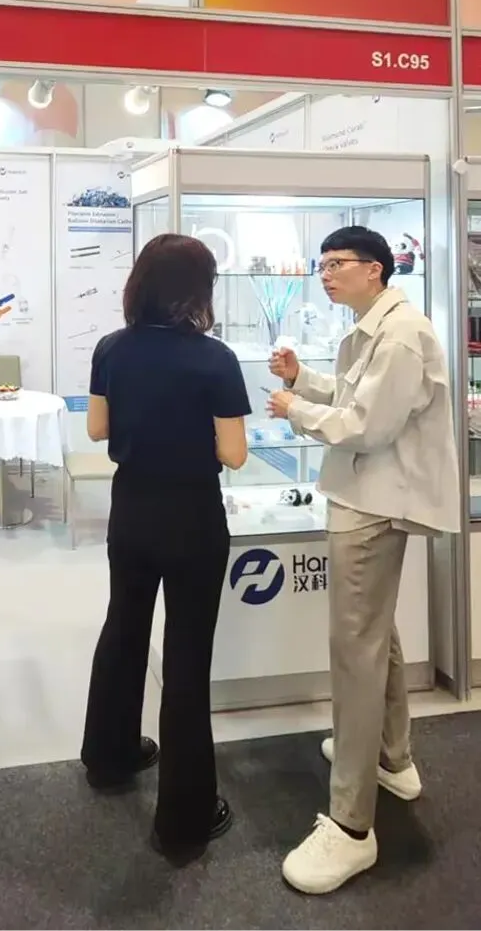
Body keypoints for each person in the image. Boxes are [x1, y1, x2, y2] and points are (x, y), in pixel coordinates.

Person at [267, 225, 459, 896]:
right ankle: (391, 758)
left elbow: (365, 427)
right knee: (374, 634)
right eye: (321, 263)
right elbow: (357, 397)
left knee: (355, 652)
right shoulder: (375, 327)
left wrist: (294, 408)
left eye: (336, 263)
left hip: (371, 503)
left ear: (374, 268)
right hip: (363, 495)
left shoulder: (399, 335)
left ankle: (351, 825)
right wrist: (304, 380)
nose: (325, 274)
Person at [80, 233, 250, 855]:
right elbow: (234, 454)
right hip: (192, 516)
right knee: (185, 657)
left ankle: (109, 754)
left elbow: (97, 428)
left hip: (131, 509)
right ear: (199, 290)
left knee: (123, 627)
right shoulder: (215, 358)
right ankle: (184, 819)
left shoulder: (111, 347)